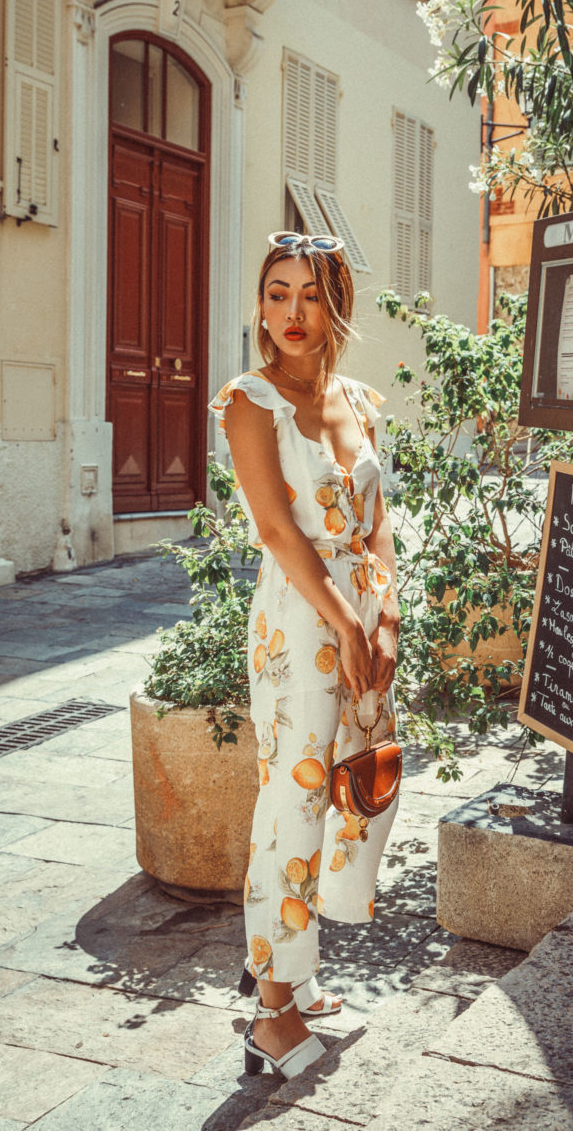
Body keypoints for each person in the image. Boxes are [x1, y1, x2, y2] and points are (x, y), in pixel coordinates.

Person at [209, 232, 400, 1080]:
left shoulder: (357, 401)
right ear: (261, 305)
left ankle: (299, 962)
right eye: (277, 293)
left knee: (366, 785)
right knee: (294, 801)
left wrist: (386, 613)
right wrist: (346, 625)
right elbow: (281, 533)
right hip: (300, 619)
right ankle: (272, 1011)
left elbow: (380, 524)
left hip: (362, 612)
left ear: (336, 307)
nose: (292, 311)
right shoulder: (251, 402)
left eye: (310, 295)